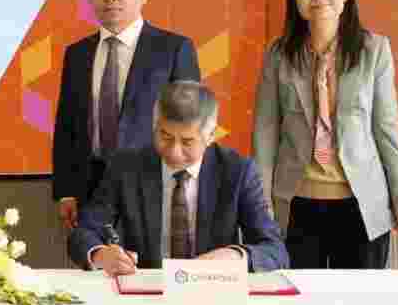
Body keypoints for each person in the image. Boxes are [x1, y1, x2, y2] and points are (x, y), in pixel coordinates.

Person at [252, 0, 398, 269]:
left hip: (362, 202)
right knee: (298, 296)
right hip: (296, 203)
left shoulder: (373, 50)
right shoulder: (278, 54)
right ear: (295, 0)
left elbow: (387, 128)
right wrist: (261, 206)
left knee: (359, 297)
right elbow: (265, 132)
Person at [69, 81, 288, 275]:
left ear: (211, 135)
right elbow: (84, 232)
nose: (174, 151)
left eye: (187, 142)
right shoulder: (126, 166)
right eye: (165, 136)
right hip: (146, 288)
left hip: (211, 287)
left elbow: (275, 250)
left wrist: (235, 256)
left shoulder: (237, 171)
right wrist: (101, 254)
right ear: (154, 126)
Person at [53, 0, 201, 229]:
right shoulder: (77, 54)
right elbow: (66, 125)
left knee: (150, 258)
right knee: (92, 255)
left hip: (153, 183)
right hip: (90, 187)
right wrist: (66, 190)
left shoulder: (173, 49)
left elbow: (190, 122)